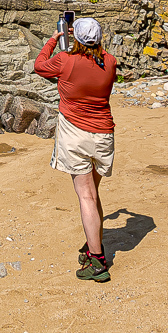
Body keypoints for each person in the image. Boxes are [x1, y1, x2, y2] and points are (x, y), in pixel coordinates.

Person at [33, 17, 116, 283]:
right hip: (103, 135)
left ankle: (98, 261)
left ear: (75, 38)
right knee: (93, 193)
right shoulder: (110, 62)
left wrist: (56, 39)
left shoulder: (65, 60)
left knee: (86, 197)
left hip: (75, 134)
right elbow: (96, 57)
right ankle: (93, 246)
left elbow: (39, 65)